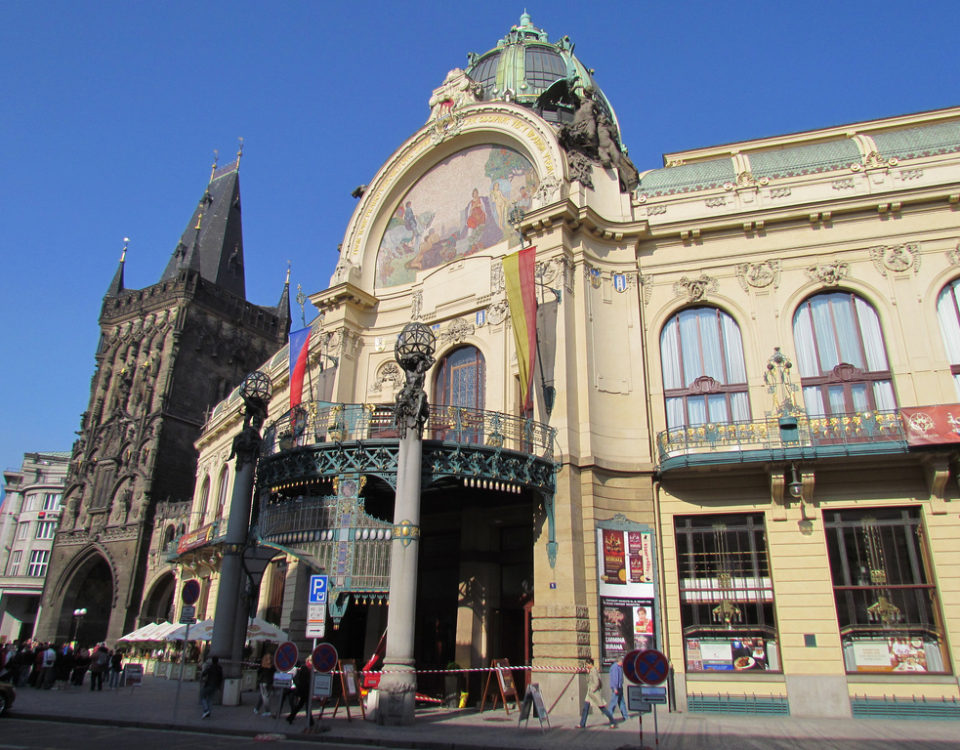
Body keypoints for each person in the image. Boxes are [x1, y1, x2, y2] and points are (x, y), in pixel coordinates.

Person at [578, 656, 616, 729]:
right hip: (589, 694)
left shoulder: (594, 671)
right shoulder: (590, 671)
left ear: (590, 664)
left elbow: (596, 682)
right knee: (585, 708)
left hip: (594, 693)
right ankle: (582, 723)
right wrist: (587, 673)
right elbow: (588, 681)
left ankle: (612, 721)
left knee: (603, 709)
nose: (586, 666)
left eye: (586, 664)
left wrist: (592, 689)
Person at [286, 660, 313, 726]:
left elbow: (297, 681)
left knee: (300, 706)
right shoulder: (307, 674)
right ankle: (310, 721)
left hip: (301, 691)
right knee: (306, 706)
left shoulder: (300, 674)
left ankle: (291, 717)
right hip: (306, 692)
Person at [605, 654, 629, 722]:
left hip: (619, 687)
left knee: (622, 702)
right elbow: (615, 679)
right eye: (622, 662)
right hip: (616, 688)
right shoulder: (615, 667)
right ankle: (610, 716)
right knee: (613, 702)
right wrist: (615, 688)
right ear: (620, 661)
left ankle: (625, 716)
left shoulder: (619, 667)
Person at [254, 651, 275, 716]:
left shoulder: (263, 666)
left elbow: (259, 673)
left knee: (264, 696)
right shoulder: (272, 667)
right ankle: (256, 709)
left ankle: (267, 711)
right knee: (263, 696)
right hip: (270, 682)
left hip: (263, 682)